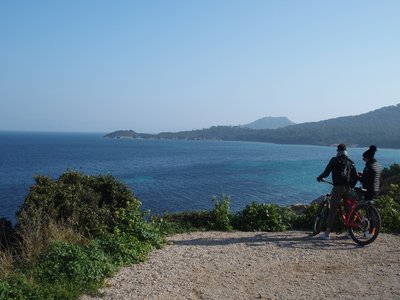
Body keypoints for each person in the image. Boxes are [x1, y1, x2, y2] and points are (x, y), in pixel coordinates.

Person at [316, 144, 358, 240]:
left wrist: (320, 177)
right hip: (348, 188)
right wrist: (351, 186)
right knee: (349, 210)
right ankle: (350, 233)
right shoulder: (350, 162)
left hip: (337, 188)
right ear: (346, 151)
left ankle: (327, 233)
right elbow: (355, 177)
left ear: (338, 151)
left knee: (333, 209)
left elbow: (326, 172)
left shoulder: (334, 160)